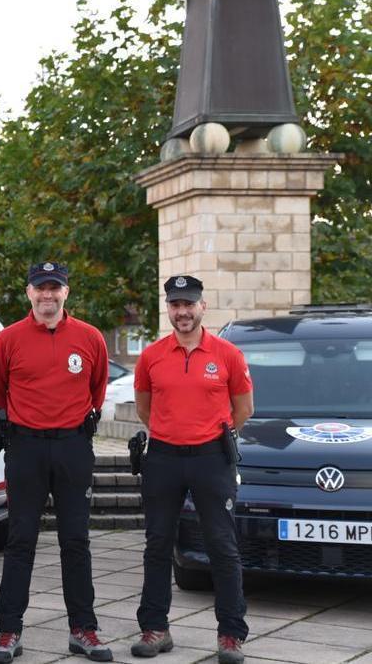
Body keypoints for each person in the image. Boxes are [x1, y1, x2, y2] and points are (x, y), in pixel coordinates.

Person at [0, 262, 112, 664]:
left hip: (74, 446)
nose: (47, 295)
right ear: (29, 293)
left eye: (54, 288)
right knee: (20, 541)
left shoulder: (90, 338)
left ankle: (83, 630)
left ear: (66, 293)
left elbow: (97, 391)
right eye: (40, 288)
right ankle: (8, 631)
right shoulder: (9, 339)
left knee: (76, 541)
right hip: (26, 449)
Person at [131, 275, 252, 664]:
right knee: (157, 544)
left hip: (211, 458)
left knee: (222, 545)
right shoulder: (151, 355)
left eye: (189, 304)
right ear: (168, 308)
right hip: (163, 456)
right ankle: (155, 629)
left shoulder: (228, 354)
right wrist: (171, 431)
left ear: (203, 306)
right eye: (175, 305)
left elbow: (243, 409)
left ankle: (231, 635)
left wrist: (205, 434)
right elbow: (145, 407)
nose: (182, 312)